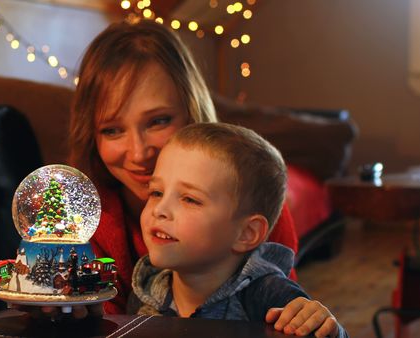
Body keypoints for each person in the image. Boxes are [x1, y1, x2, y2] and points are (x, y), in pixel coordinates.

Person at [68, 19, 298, 315]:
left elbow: (286, 313)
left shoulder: (252, 201)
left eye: (158, 121)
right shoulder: (84, 222)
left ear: (192, 114)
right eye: (112, 130)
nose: (139, 153)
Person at [131, 123, 347, 338]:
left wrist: (327, 329)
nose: (159, 209)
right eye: (156, 192)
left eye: (190, 199)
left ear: (247, 233)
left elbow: (316, 328)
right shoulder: (144, 290)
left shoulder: (271, 297)